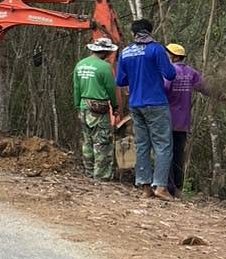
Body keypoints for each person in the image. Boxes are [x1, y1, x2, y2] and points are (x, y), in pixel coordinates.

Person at [115, 17, 178, 199]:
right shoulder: (156, 49)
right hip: (156, 103)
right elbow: (170, 74)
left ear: (133, 33)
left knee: (142, 145)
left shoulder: (126, 52)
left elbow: (120, 80)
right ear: (150, 31)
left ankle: (145, 187)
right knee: (163, 145)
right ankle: (160, 186)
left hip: (136, 104)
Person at [166, 42, 211, 197]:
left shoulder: (169, 71)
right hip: (183, 121)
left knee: (165, 152)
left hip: (167, 119)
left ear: (175, 56)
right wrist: (223, 96)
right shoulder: (192, 73)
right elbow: (207, 88)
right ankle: (177, 186)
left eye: (169, 53)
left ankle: (168, 186)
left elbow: (163, 89)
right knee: (178, 154)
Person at [72, 37, 118, 182]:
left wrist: (78, 106)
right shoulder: (104, 67)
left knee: (87, 141)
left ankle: (89, 171)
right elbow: (111, 89)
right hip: (99, 110)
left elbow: (76, 87)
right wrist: (115, 106)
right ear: (104, 51)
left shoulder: (80, 65)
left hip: (84, 107)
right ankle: (101, 175)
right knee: (102, 142)